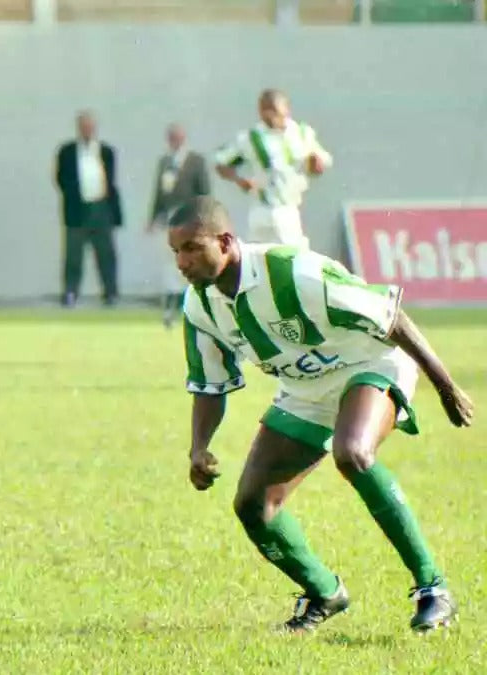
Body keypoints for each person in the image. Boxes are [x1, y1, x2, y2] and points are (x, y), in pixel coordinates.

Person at [169, 196, 473, 634]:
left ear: (225, 241)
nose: (182, 261)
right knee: (253, 506)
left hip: (368, 363)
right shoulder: (200, 306)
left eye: (191, 248)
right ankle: (324, 592)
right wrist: (199, 447)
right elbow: (209, 385)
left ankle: (433, 588)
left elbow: (391, 318)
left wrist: (446, 386)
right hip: (305, 389)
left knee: (353, 453)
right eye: (175, 251)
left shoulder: (293, 270)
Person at [214, 89, 331, 248]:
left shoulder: (302, 134)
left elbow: (320, 165)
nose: (269, 116)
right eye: (265, 111)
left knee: (292, 257)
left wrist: (315, 164)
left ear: (286, 109)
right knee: (259, 258)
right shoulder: (252, 137)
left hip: (288, 208)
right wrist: (239, 180)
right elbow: (221, 162)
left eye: (274, 110)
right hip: (261, 209)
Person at [54, 110, 124, 307]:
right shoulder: (67, 151)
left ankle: (110, 293)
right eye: (83, 127)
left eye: (90, 127)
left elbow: (111, 181)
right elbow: (60, 178)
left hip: (101, 208)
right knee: (73, 255)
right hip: (77, 210)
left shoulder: (106, 151)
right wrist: (73, 196)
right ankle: (70, 293)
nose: (87, 130)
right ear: (79, 129)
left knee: (106, 254)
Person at [146, 122, 211, 327]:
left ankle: (195, 305)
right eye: (171, 137)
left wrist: (204, 218)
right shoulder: (165, 162)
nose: (174, 141)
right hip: (170, 220)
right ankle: (170, 306)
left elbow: (204, 192)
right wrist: (153, 218)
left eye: (177, 137)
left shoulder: (196, 161)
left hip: (190, 219)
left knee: (190, 260)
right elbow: (159, 194)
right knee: (169, 262)